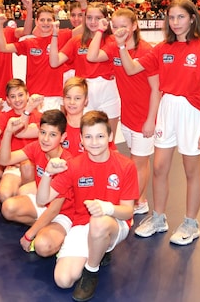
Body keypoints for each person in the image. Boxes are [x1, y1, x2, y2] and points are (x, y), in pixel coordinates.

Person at [117, 0, 200, 246]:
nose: (175, 22)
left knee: (191, 170)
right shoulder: (162, 49)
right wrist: (121, 46)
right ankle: (159, 217)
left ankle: (190, 223)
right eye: (171, 17)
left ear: (192, 18)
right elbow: (131, 69)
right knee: (160, 167)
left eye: (180, 17)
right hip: (167, 109)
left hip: (193, 112)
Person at [37, 111, 138, 301]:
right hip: (82, 225)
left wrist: (107, 208)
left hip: (115, 224)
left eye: (100, 136)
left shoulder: (126, 166)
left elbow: (127, 212)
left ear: (109, 136)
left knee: (99, 222)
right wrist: (47, 174)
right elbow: (42, 199)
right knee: (63, 279)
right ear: (81, 139)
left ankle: (91, 271)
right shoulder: (74, 165)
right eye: (88, 137)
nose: (94, 142)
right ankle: (98, 252)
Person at [86, 7, 160, 215]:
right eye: (115, 27)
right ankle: (136, 199)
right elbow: (92, 56)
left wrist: (151, 120)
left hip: (144, 115)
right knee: (134, 160)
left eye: (124, 27)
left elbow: (154, 87)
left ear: (134, 26)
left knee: (139, 162)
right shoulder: (113, 46)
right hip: (127, 114)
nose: (119, 31)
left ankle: (140, 201)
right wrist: (100, 31)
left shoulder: (146, 50)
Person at [0, 110, 74, 257]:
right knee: (8, 207)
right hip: (42, 204)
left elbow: (54, 210)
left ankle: (63, 235)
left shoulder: (66, 164)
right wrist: (8, 132)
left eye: (52, 135)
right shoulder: (36, 147)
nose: (45, 139)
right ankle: (46, 228)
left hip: (63, 213)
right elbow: (4, 160)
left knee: (42, 246)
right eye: (43, 132)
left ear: (63, 137)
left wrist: (29, 235)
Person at [51, 2, 122, 137]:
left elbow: (93, 57)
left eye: (98, 18)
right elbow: (54, 62)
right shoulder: (76, 41)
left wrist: (101, 32)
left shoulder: (113, 40)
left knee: (109, 137)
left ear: (105, 20)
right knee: (83, 136)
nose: (93, 22)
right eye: (89, 17)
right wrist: (54, 35)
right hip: (84, 92)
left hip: (108, 91)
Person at [0, 6, 70, 112]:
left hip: (56, 97)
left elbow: (82, 29)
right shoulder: (29, 43)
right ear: (36, 21)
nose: (45, 23)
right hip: (34, 97)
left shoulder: (63, 36)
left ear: (55, 22)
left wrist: (83, 7)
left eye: (49, 20)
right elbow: (4, 48)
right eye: (42, 20)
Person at [0, 79, 42, 203]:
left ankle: (28, 200)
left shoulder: (40, 117)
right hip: (12, 166)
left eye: (20, 95)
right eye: (13, 96)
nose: (17, 100)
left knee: (27, 166)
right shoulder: (4, 116)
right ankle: (20, 196)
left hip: (33, 167)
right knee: (4, 195)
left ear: (27, 95)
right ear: (7, 100)